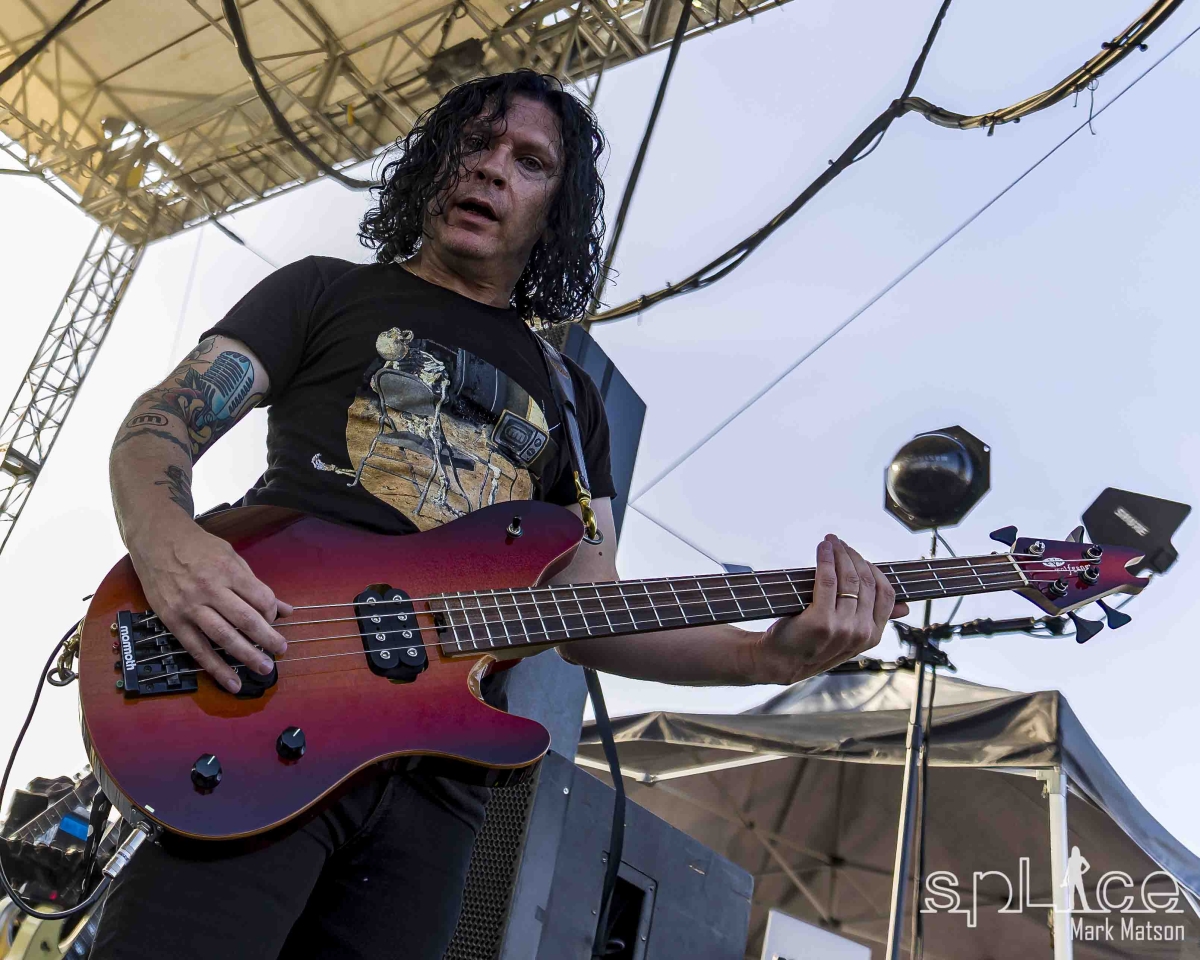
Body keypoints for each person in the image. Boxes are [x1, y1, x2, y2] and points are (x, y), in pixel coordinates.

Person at [93, 70, 907, 959]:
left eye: (528, 162)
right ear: (435, 162)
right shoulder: (324, 291)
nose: (490, 170)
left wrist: (764, 657)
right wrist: (169, 546)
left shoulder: (572, 401)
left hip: (436, 782)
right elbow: (161, 422)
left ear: (555, 210)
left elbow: (588, 612)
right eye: (475, 144)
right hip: (256, 695)